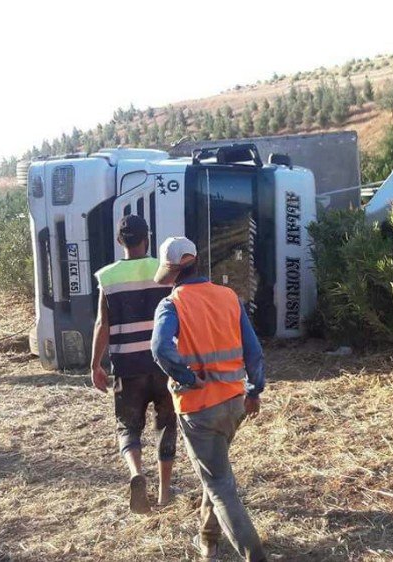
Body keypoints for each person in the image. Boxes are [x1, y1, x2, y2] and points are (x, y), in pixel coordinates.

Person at [151, 236, 267, 562]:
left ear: (172, 272)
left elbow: (160, 349)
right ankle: (208, 540)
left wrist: (187, 377)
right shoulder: (228, 296)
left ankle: (254, 556)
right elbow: (254, 352)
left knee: (219, 486)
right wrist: (254, 391)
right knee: (215, 472)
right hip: (235, 403)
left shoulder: (172, 304)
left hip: (199, 410)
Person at [91, 216, 175, 514]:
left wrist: (95, 365)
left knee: (128, 426)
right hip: (164, 364)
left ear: (119, 241)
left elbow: (103, 323)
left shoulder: (108, 276)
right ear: (147, 239)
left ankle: (136, 473)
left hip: (127, 366)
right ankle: (165, 494)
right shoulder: (164, 271)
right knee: (166, 426)